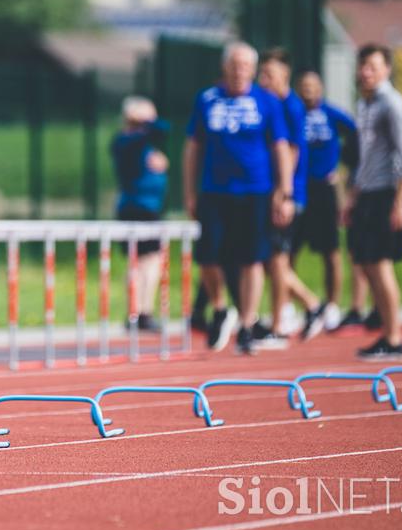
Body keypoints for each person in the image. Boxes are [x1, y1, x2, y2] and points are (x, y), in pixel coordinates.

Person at [183, 42, 293, 355]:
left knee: (252, 259)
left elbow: (281, 147)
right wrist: (189, 192)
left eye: (245, 65)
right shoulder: (207, 99)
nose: (239, 70)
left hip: (255, 191)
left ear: (254, 69)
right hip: (215, 191)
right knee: (207, 256)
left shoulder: (267, 102)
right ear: (224, 67)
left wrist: (284, 192)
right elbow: (192, 148)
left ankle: (246, 323)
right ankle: (220, 308)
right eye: (234, 64)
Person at [345, 44, 402, 361]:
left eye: (372, 66)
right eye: (363, 66)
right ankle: (385, 329)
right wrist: (354, 195)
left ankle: (394, 337)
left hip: (387, 192)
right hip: (368, 192)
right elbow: (366, 156)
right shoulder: (366, 103)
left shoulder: (391, 103)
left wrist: (400, 201)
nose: (365, 72)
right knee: (366, 262)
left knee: (380, 263)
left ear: (386, 69)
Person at [255, 49, 328, 348]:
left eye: (269, 75)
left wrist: (283, 193)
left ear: (284, 77)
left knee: (276, 261)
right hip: (273, 192)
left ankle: (281, 323)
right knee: (271, 262)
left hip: (288, 194)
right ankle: (310, 306)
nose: (263, 80)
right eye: (262, 74)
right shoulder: (272, 104)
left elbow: (293, 151)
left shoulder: (291, 107)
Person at [293, 70, 366, 334]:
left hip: (324, 189)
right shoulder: (293, 114)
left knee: (331, 251)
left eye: (313, 85)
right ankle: (290, 307)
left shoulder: (332, 114)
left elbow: (357, 137)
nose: (308, 90)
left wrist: (344, 171)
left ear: (321, 88)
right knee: (289, 250)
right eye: (303, 86)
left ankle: (332, 306)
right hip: (298, 188)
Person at [110, 96, 169, 332]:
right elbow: (158, 128)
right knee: (140, 261)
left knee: (151, 261)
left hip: (150, 207)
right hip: (137, 207)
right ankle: (136, 311)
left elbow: (163, 128)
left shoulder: (143, 143)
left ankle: (144, 310)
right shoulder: (126, 141)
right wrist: (140, 119)